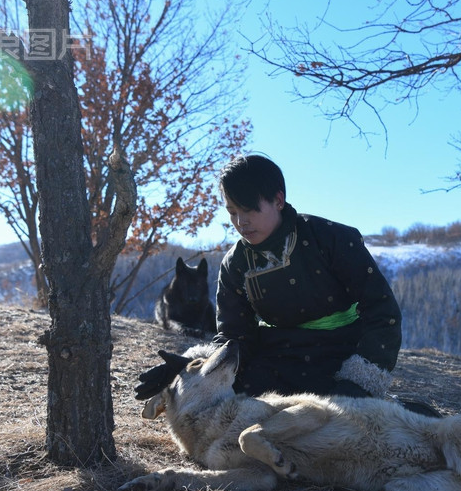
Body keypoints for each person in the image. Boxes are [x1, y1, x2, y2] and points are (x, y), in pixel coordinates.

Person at [136, 153, 437, 415]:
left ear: (278, 200)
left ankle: (397, 411)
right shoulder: (235, 265)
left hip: (341, 357)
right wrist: (189, 366)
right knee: (225, 407)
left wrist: (359, 382)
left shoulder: (332, 239)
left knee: (344, 419)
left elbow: (382, 312)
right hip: (278, 360)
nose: (241, 222)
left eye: (249, 210)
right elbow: (234, 337)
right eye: (232, 213)